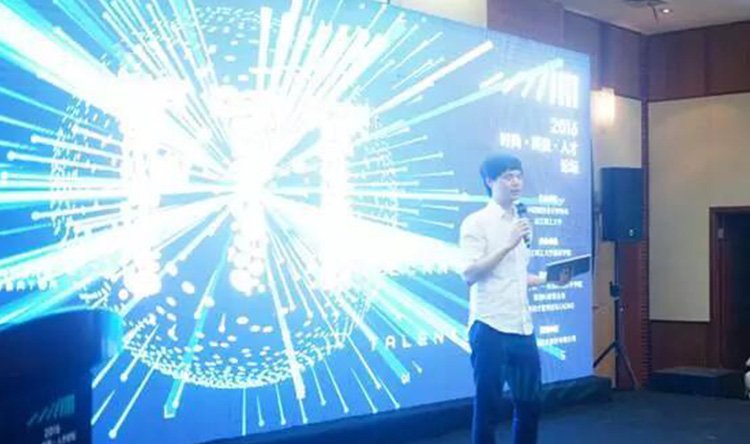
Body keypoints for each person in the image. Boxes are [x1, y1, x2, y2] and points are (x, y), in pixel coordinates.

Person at [459, 153, 562, 444]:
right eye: (507, 176)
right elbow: (469, 273)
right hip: (490, 327)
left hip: (522, 328)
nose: (515, 182)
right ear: (489, 181)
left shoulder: (522, 221)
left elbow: (516, 276)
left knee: (530, 406)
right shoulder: (476, 223)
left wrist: (549, 279)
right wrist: (507, 244)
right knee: (488, 409)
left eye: (518, 175)